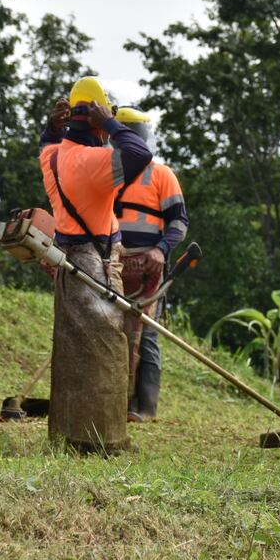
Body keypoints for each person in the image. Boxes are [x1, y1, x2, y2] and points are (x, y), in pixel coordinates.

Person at [39, 76, 152, 452]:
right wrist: (112, 123)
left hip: (68, 261)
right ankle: (103, 439)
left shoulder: (53, 156)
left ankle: (70, 435)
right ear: (97, 123)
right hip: (94, 262)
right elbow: (140, 154)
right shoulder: (93, 161)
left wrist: (52, 128)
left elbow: (46, 143)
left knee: (74, 350)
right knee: (106, 347)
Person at [111, 106, 189, 422]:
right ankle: (115, 401)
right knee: (112, 331)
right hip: (112, 264)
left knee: (147, 333)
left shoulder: (162, 175)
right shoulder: (106, 173)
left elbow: (179, 223)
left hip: (149, 268)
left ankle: (144, 407)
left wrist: (161, 249)